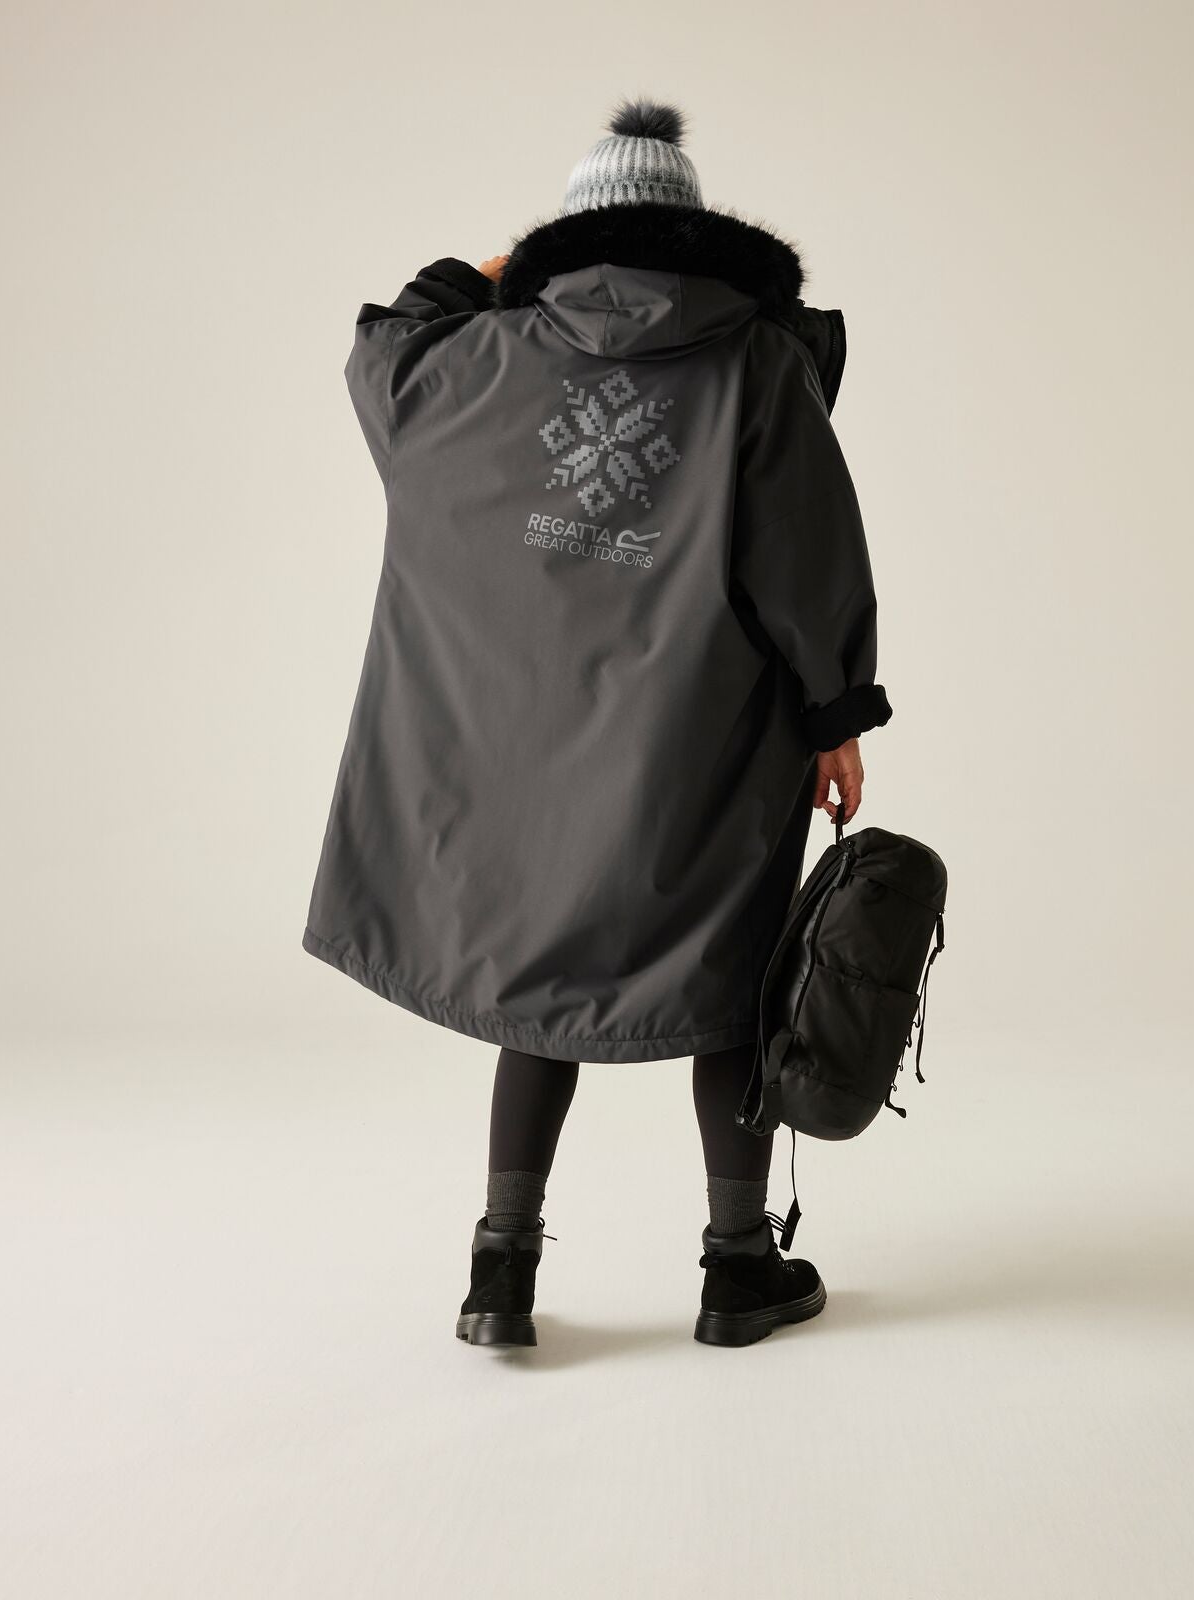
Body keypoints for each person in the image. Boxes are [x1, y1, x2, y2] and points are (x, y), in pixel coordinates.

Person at [302, 97, 892, 1348]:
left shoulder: (479, 357)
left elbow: (380, 351)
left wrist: (486, 274)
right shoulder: (757, 364)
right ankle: (737, 1268)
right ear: (689, 231)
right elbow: (807, 554)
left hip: (526, 754)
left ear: (569, 234)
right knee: (734, 981)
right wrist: (836, 711)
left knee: (541, 986)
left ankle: (500, 1269)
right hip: (707, 741)